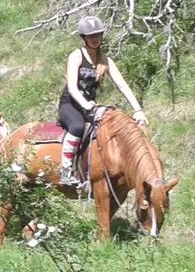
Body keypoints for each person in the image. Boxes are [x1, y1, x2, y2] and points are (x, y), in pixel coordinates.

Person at [57, 16, 148, 186]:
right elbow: (72, 87)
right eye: (90, 36)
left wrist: (138, 110)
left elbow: (122, 85)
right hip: (71, 104)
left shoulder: (105, 61)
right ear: (83, 38)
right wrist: (84, 104)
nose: (94, 39)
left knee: (112, 124)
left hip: (90, 106)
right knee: (77, 126)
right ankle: (66, 170)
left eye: (97, 35)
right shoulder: (76, 56)